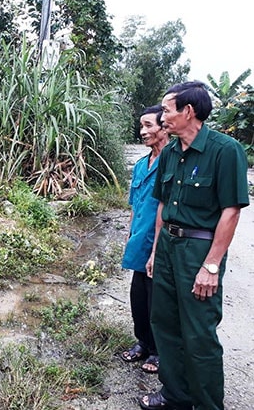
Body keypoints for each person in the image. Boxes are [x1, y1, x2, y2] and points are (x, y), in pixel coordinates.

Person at [139, 81, 250, 410]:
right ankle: (175, 395)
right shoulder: (171, 152)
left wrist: (211, 265)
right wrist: (156, 251)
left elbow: (231, 211)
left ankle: (206, 404)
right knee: (165, 323)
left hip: (198, 252)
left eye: (167, 110)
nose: (162, 117)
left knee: (199, 332)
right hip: (168, 248)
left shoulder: (225, 150)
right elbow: (162, 206)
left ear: (188, 111)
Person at [121, 105, 169, 374]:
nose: (143, 131)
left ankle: (159, 351)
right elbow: (134, 206)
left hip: (161, 243)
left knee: (158, 300)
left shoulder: (173, 163)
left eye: (149, 125)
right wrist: (130, 236)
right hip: (140, 241)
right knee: (138, 296)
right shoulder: (141, 165)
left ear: (165, 127)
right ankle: (142, 342)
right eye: (141, 126)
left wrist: (156, 249)